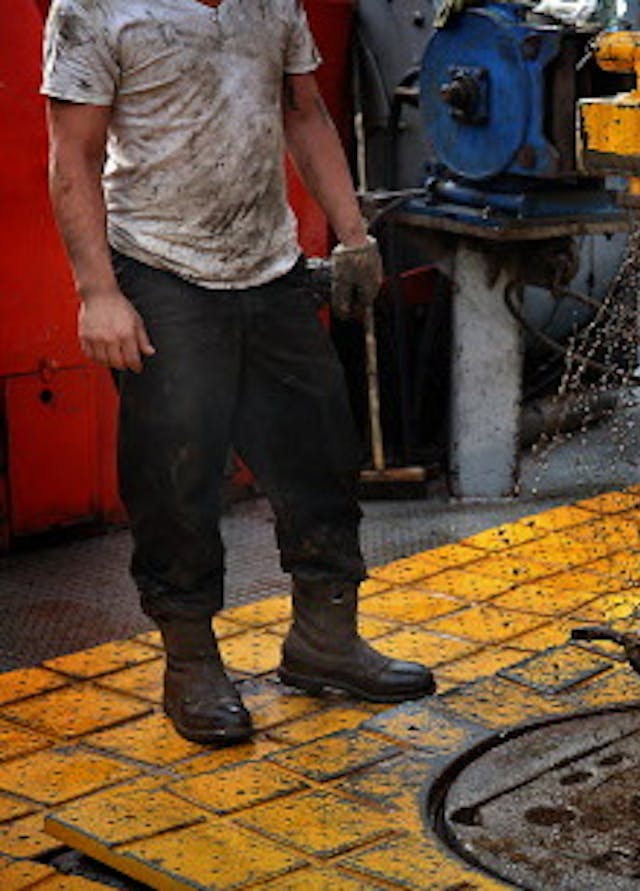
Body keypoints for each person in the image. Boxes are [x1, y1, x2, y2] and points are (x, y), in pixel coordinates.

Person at [42, 0, 435, 745]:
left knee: (320, 456)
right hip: (160, 268)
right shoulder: (93, 8)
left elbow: (306, 113)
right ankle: (190, 662)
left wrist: (353, 236)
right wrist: (98, 293)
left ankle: (325, 638)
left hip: (272, 265)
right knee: (178, 479)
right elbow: (74, 155)